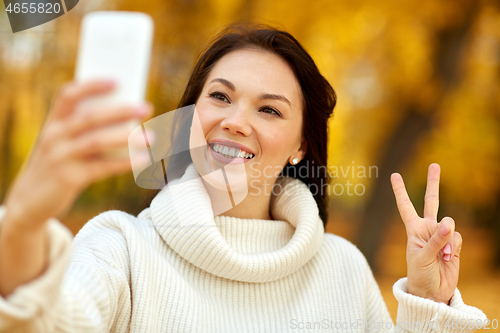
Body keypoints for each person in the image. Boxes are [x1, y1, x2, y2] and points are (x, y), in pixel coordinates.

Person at [0, 23, 487, 332]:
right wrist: (21, 224)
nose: (236, 119)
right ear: (191, 115)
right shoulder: (121, 246)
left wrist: (428, 302)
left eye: (270, 109)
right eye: (219, 97)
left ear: (300, 146)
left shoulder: (342, 269)